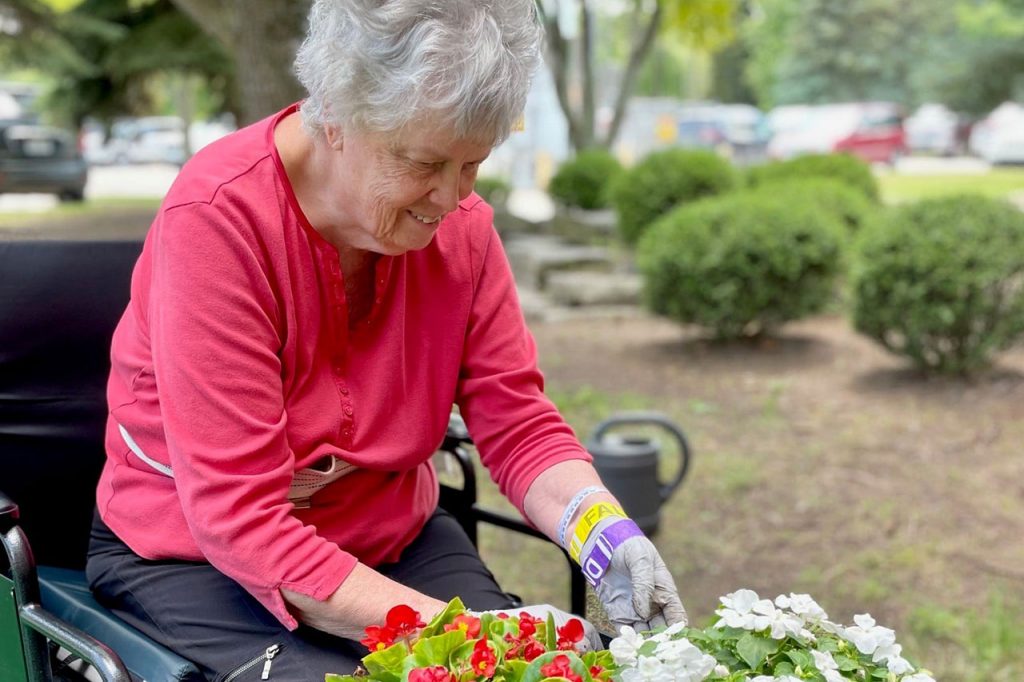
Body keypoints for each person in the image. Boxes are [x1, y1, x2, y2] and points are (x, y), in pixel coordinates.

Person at [85, 0, 686, 679]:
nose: (451, 198)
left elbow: (516, 421)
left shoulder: (464, 231)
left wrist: (602, 529)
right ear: (335, 115)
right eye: (425, 162)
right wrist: (460, 634)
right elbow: (240, 520)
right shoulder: (219, 222)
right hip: (197, 558)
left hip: (389, 535)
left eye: (473, 164)